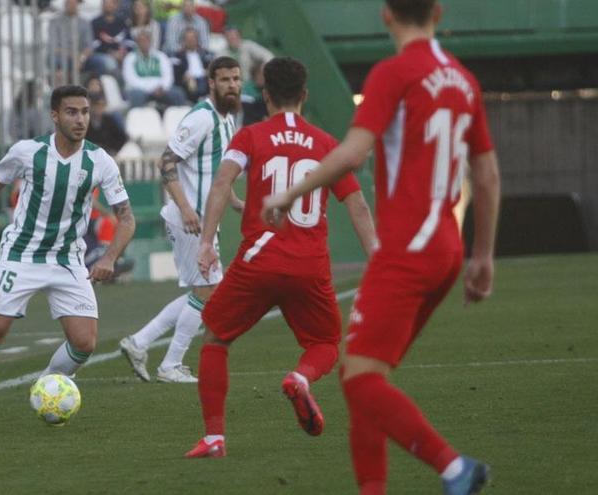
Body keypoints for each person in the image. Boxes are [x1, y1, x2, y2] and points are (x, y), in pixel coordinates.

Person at [261, 2, 500, 493]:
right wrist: (483, 255)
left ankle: (454, 468)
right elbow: (488, 174)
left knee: (361, 382)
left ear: (386, 15)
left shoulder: (394, 74)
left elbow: (352, 151)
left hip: (405, 251)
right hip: (447, 250)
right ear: (438, 11)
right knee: (363, 375)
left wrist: (289, 193)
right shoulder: (462, 79)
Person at [185, 57, 377, 457]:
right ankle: (300, 378)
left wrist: (206, 242)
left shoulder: (250, 137)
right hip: (309, 266)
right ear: (305, 95)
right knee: (325, 343)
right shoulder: (328, 144)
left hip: (259, 260)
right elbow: (357, 205)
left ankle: (214, 437)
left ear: (266, 95)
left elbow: (223, 182)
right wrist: (376, 257)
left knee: (216, 337)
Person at [0, 85, 136, 433]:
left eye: (85, 112)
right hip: (21, 254)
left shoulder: (99, 160)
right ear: (55, 116)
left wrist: (109, 256)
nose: (80, 119)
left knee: (84, 343)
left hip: (68, 259)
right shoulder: (27, 152)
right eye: (72, 112)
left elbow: (126, 218)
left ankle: (46, 385)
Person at [118, 56, 243, 384]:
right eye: (225, 79)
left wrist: (233, 201)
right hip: (190, 219)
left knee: (203, 291)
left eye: (236, 79)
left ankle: (139, 343)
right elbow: (167, 161)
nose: (232, 85)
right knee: (208, 293)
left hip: (204, 218)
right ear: (211, 83)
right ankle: (170, 364)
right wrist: (187, 209)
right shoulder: (201, 118)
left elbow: (217, 171)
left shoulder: (227, 120)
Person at [122, 29, 188, 109]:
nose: (144, 43)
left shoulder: (161, 56)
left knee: (178, 93)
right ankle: (137, 120)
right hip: (141, 90)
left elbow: (168, 76)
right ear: (137, 42)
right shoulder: (130, 58)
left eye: (146, 40)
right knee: (137, 95)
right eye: (141, 40)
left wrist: (162, 87)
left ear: (150, 41)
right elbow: (131, 80)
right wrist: (151, 89)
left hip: (161, 90)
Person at [48, 0, 94, 81]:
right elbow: (54, 47)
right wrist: (75, 56)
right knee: (57, 62)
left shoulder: (85, 22)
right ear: (65, 3)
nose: (71, 5)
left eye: (74, 2)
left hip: (81, 57)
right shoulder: (55, 22)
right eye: (69, 2)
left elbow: (89, 47)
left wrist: (81, 58)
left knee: (105, 63)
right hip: (61, 56)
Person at [86, 0, 129, 76]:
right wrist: (110, 52)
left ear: (116, 6)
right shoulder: (95, 23)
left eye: (111, 3)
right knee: (110, 63)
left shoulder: (122, 22)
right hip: (101, 55)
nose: (108, 5)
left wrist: (123, 52)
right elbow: (93, 45)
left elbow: (129, 41)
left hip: (121, 55)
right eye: (106, 3)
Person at [172, 27, 214, 103]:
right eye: (187, 38)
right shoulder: (177, 56)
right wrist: (183, 76)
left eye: (193, 38)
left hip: (204, 79)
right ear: (183, 41)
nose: (190, 40)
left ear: (197, 39)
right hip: (188, 82)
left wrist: (208, 72)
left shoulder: (206, 54)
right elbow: (175, 74)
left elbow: (213, 69)